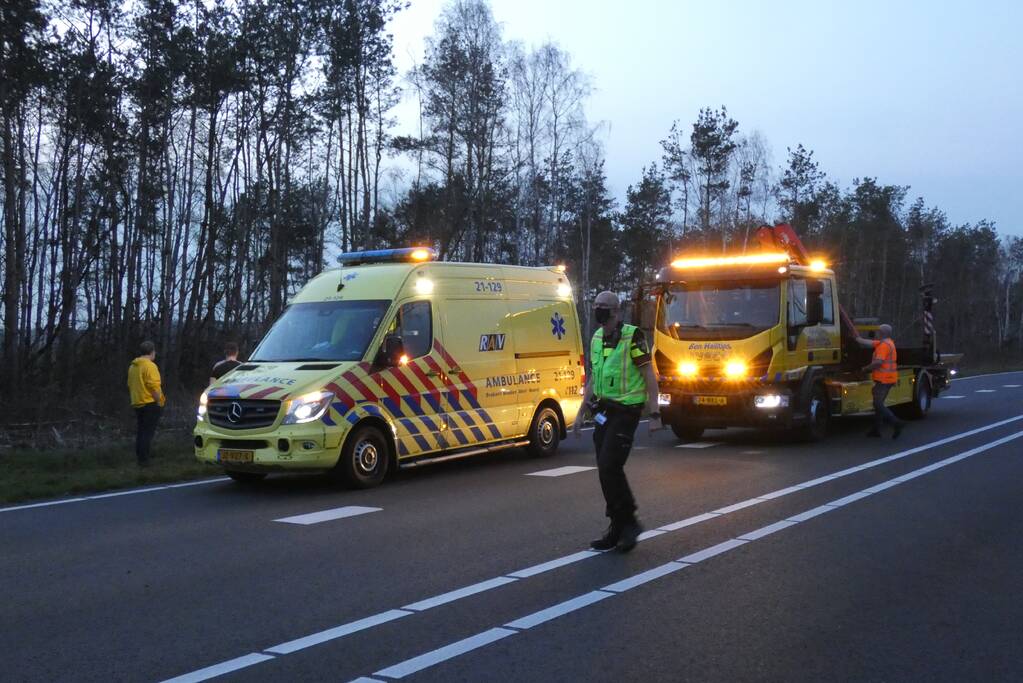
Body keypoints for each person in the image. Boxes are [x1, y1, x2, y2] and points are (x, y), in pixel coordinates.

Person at [573, 291, 663, 553]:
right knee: (604, 469)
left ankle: (630, 522)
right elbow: (594, 377)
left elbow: (649, 373)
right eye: (596, 306)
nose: (598, 310)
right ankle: (616, 526)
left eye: (604, 307)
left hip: (626, 411)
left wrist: (655, 413)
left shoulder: (632, 336)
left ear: (616, 311)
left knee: (610, 464)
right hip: (603, 412)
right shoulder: (598, 337)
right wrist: (580, 413)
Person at [855, 324, 904, 439]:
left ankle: (896, 423)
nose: (876, 333)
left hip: (883, 379)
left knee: (877, 404)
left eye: (878, 331)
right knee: (879, 405)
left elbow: (878, 362)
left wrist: (865, 369)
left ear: (881, 333)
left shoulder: (883, 346)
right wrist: (858, 339)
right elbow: (869, 342)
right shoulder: (887, 343)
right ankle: (876, 430)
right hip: (888, 379)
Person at [127, 341, 166, 467]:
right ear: (152, 352)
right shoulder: (150, 366)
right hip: (149, 403)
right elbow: (153, 386)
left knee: (141, 432)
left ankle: (140, 458)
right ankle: (144, 461)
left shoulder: (133, 366)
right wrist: (159, 401)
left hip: (137, 402)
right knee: (147, 433)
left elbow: (129, 384)